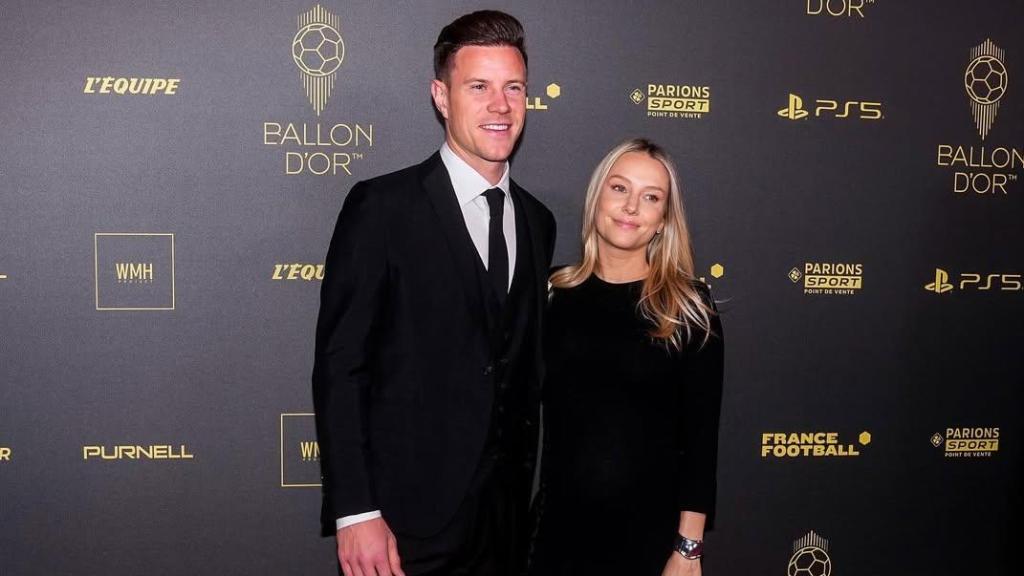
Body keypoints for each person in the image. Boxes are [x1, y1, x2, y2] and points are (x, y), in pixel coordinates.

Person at [312, 10, 556, 576]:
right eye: (479, 87)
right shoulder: (382, 209)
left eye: (513, 87)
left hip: (506, 524)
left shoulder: (538, 221)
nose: (500, 105)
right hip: (403, 526)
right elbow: (341, 366)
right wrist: (355, 511)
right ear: (441, 97)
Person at [529, 139, 723, 576]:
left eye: (651, 197)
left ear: (662, 221)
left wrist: (688, 549)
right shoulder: (551, 293)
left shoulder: (689, 307)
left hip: (649, 541)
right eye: (619, 188)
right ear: (597, 197)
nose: (631, 206)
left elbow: (701, 441)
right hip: (557, 534)